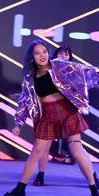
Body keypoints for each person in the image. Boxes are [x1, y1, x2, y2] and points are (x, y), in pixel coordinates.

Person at [4, 40, 99, 196]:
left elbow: (87, 72)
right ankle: (20, 189)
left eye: (44, 51)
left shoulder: (59, 65)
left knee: (76, 151)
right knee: (36, 151)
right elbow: (24, 101)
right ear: (31, 57)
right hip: (46, 116)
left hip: (66, 112)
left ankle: (94, 191)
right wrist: (18, 124)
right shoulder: (30, 79)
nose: (42, 55)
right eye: (37, 53)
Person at [33, 45, 74, 186]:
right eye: (61, 53)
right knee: (44, 146)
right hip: (49, 111)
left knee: (76, 148)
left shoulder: (74, 71)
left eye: (67, 54)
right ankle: (40, 175)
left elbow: (89, 78)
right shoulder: (48, 69)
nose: (64, 55)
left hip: (68, 112)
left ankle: (93, 178)